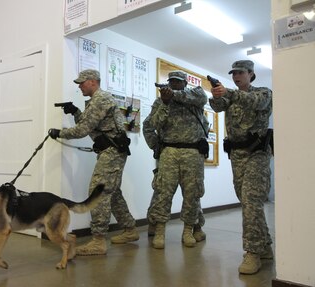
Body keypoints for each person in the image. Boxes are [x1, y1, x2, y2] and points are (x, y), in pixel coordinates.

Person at [48, 69, 139, 256]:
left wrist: (60, 132)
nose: (80, 86)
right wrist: (75, 112)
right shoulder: (97, 101)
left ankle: (98, 241)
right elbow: (92, 125)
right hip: (111, 151)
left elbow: (82, 130)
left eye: (82, 83)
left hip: (112, 151)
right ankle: (130, 230)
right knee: (112, 193)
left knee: (97, 192)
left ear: (93, 82)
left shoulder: (100, 99)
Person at [209, 60, 273, 275]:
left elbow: (258, 103)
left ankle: (253, 252)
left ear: (251, 74)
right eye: (233, 73)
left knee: (251, 200)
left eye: (240, 72)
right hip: (236, 155)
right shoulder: (230, 96)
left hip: (257, 153)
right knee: (246, 200)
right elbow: (216, 106)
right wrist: (217, 94)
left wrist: (228, 93)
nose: (236, 76)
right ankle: (265, 247)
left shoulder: (263, 92)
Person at [143, 70, 208, 249]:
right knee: (163, 192)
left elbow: (202, 98)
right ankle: (160, 230)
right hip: (170, 152)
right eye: (171, 82)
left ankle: (188, 230)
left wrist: (176, 95)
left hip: (192, 152)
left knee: (192, 194)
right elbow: (151, 125)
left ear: (185, 84)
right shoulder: (160, 102)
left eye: (178, 82)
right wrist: (165, 103)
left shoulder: (196, 95)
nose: (174, 85)